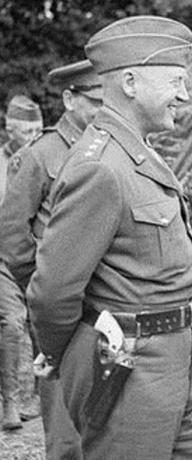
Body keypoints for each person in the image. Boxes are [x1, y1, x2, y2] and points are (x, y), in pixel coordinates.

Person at [26, 16, 192, 459]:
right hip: (127, 362)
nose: (184, 95)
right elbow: (52, 291)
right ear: (130, 82)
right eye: (175, 81)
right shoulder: (100, 167)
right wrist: (65, 359)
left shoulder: (136, 153)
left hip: (170, 356)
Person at [0, 59, 102, 458]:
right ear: (68, 99)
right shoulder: (39, 155)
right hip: (58, 303)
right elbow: (11, 235)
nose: (101, 109)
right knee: (62, 417)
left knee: (104, 407)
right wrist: (41, 285)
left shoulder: (108, 148)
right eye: (94, 100)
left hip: (104, 298)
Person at [0, 94, 42, 430]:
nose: (33, 138)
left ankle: (43, 394)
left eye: (38, 131)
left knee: (45, 319)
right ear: (9, 130)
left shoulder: (44, 161)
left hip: (39, 256)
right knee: (12, 322)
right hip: (2, 260)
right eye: (26, 133)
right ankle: (10, 402)